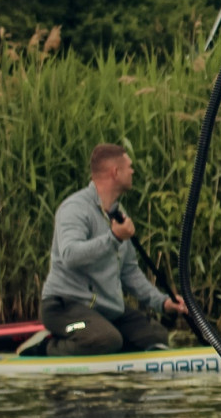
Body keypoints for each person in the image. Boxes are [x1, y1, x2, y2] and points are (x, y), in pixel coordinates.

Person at [32, 143, 187, 357]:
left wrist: (162, 302)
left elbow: (130, 272)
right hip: (64, 310)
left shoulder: (118, 214)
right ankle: (48, 346)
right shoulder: (75, 209)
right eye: (129, 167)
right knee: (105, 339)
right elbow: (70, 256)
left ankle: (104, 351)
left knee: (155, 336)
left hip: (104, 312)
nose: (133, 171)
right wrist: (113, 238)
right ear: (115, 172)